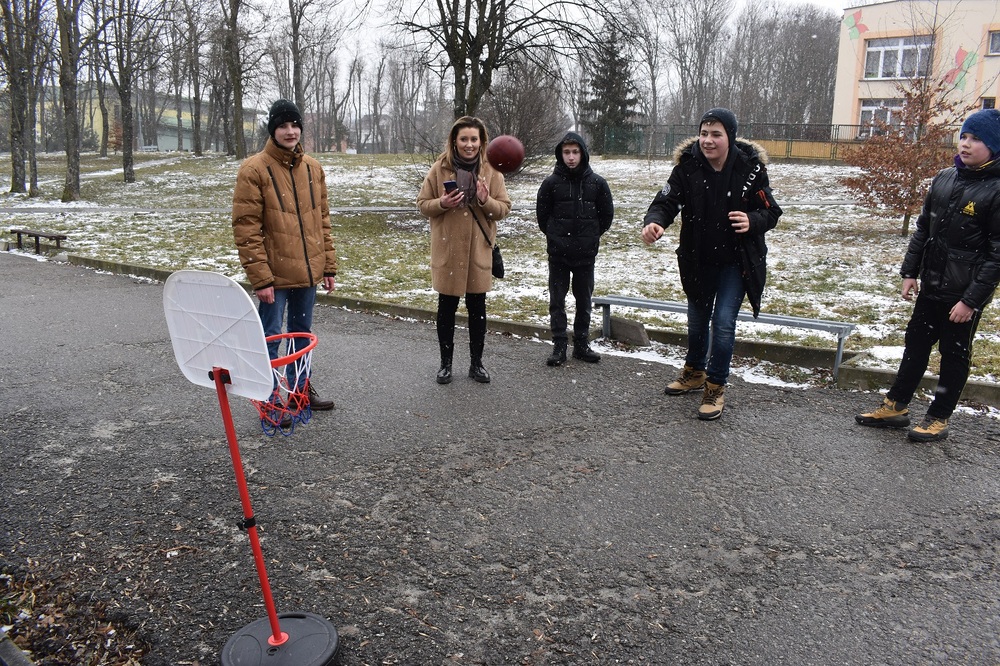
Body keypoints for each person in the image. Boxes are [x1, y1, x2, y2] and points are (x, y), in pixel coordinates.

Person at [856, 108, 1000, 442]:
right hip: (931, 285)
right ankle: (896, 405)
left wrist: (970, 300)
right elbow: (924, 228)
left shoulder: (995, 190)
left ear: (993, 146)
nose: (966, 144)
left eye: (976, 139)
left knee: (953, 354)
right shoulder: (945, 177)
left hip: (962, 294)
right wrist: (910, 271)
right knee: (916, 345)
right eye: (964, 135)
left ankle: (938, 417)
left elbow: (997, 255)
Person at [641, 108, 782, 421]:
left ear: (729, 137)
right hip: (698, 259)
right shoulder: (687, 168)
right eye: (704, 133)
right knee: (696, 320)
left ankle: (715, 386)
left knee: (722, 323)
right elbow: (665, 202)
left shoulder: (750, 169)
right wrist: (655, 223)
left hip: (736, 262)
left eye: (715, 134)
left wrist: (753, 220)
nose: (707, 140)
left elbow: (771, 211)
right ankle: (694, 372)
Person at [232, 98, 338, 413]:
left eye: (294, 125)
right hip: (274, 275)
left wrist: (328, 266)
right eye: (283, 126)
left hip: (308, 272)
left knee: (302, 336)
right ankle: (267, 397)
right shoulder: (254, 169)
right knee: (271, 337)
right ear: (273, 130)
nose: (290, 131)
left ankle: (298, 390)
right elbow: (246, 229)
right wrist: (260, 278)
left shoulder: (313, 168)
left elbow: (323, 221)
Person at [417, 116, 512, 385]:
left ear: (482, 141)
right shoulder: (439, 169)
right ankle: (445, 365)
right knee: (446, 308)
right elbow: (423, 204)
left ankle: (476, 364)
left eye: (474, 139)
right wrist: (443, 203)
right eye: (464, 139)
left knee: (477, 309)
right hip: (448, 250)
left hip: (478, 251)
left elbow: (504, 208)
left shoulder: (491, 171)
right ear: (454, 141)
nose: (469, 145)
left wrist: (485, 200)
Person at [536, 131, 614, 366]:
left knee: (583, 300)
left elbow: (606, 215)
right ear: (560, 154)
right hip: (558, 255)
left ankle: (581, 344)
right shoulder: (550, 184)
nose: (571, 157)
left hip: (585, 255)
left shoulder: (598, 183)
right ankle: (559, 345)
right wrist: (555, 236)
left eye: (575, 152)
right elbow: (542, 216)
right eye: (566, 152)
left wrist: (589, 237)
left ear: (583, 153)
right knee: (557, 301)